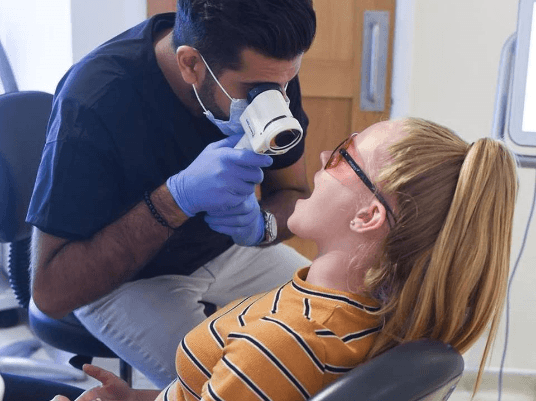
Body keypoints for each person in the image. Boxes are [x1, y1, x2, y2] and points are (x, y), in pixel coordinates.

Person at [31, 116, 514, 401]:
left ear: (367, 216)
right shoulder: (368, 317)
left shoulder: (283, 343)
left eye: (346, 157)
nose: (324, 154)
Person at [26, 0, 316, 387]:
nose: (276, 98)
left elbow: (293, 192)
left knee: (339, 330)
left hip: (228, 250)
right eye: (256, 90)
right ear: (191, 64)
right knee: (236, 385)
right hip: (124, 281)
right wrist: (174, 200)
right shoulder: (96, 99)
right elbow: (51, 293)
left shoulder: (267, 71)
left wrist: (261, 226)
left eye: (285, 82)